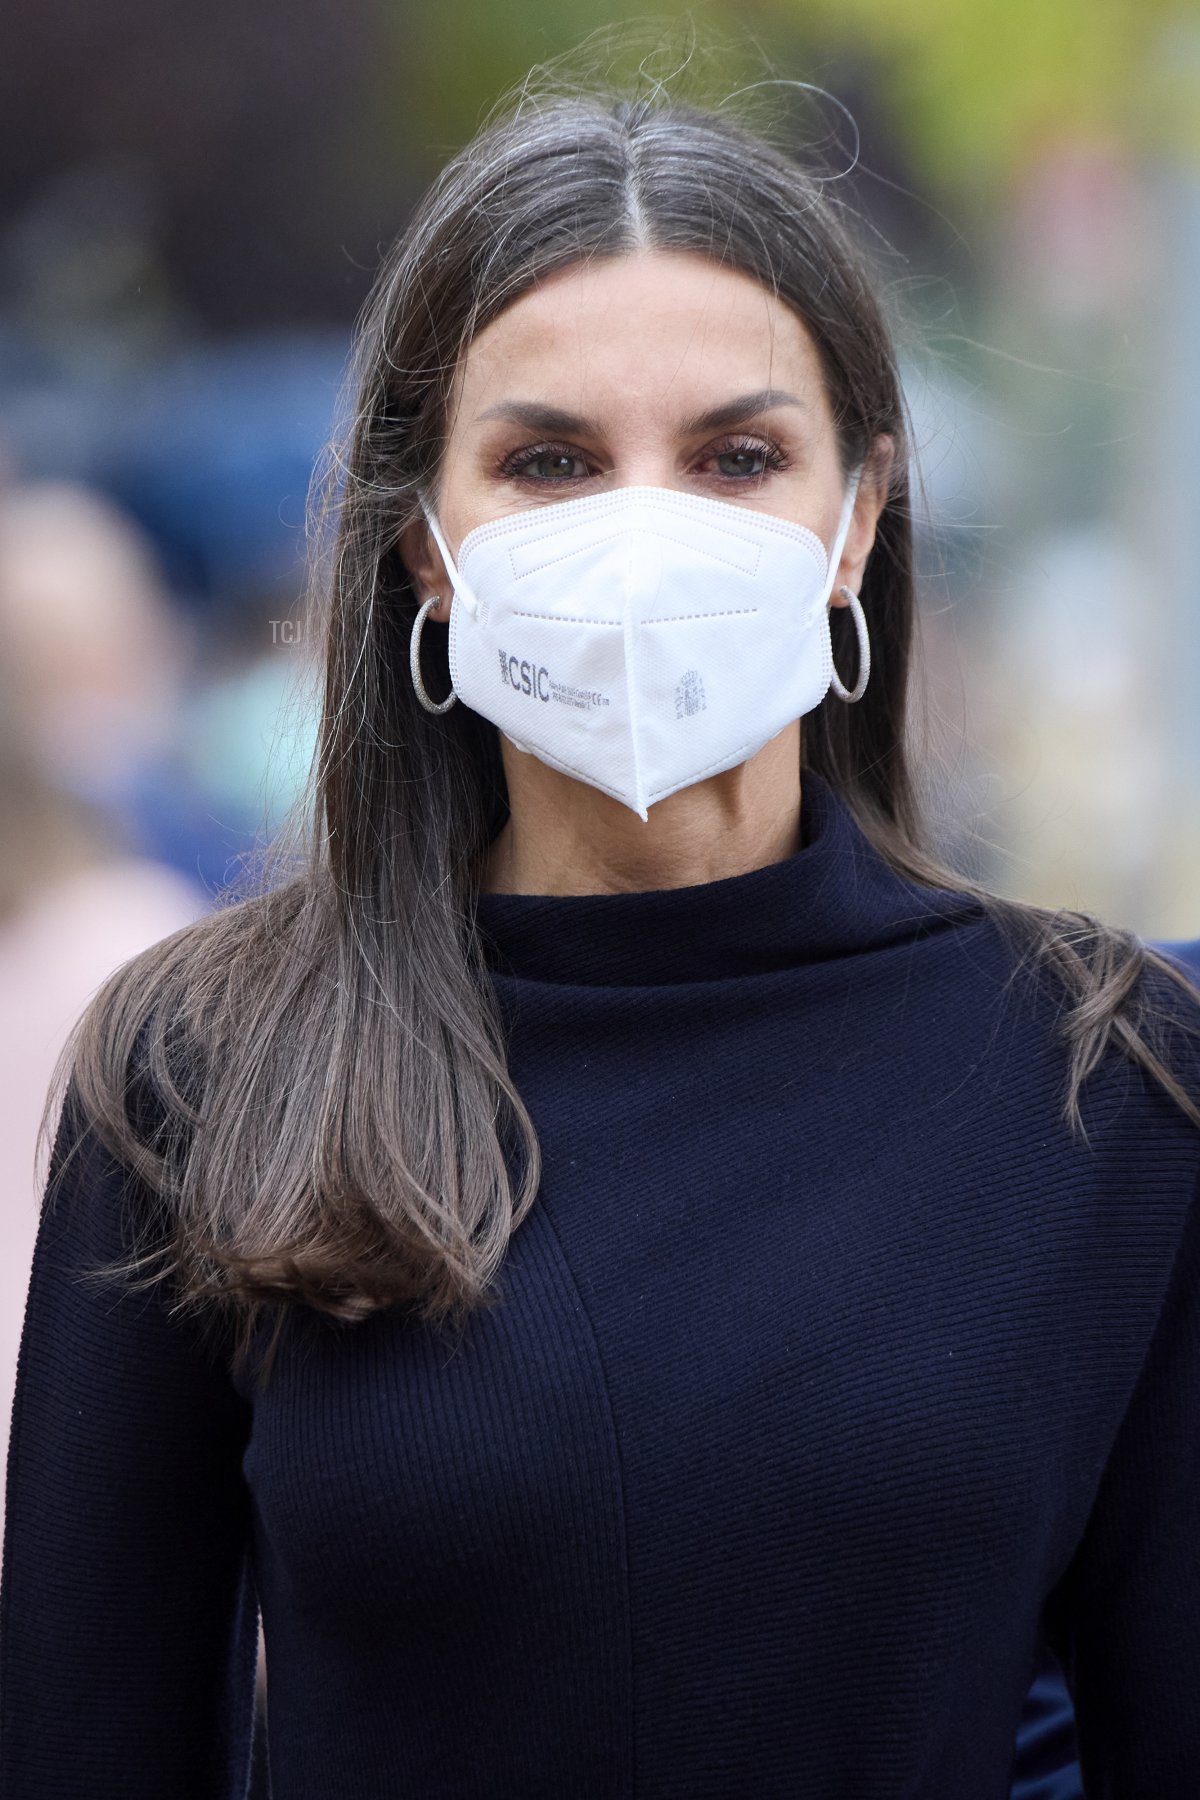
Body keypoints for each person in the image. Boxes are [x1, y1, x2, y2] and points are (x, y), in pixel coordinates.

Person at [3, 81, 1199, 1800]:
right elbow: (85, 1740)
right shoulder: (204, 1073)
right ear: (424, 540)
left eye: (737, 458)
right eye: (549, 462)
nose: (647, 534)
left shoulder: (1107, 1079)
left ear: (860, 514)